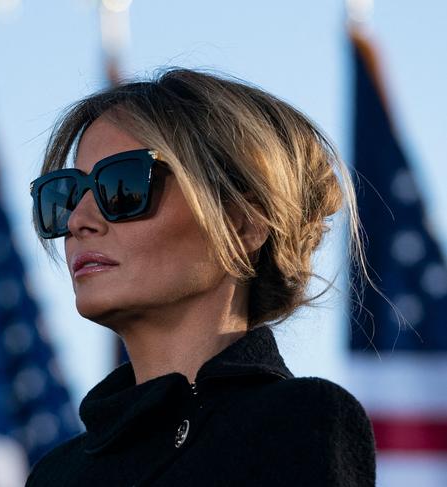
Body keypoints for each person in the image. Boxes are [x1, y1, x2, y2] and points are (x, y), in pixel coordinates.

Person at [25, 68, 376, 486]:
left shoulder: (297, 421)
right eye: (64, 196)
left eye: (123, 187)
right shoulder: (55, 474)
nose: (79, 221)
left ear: (244, 224)